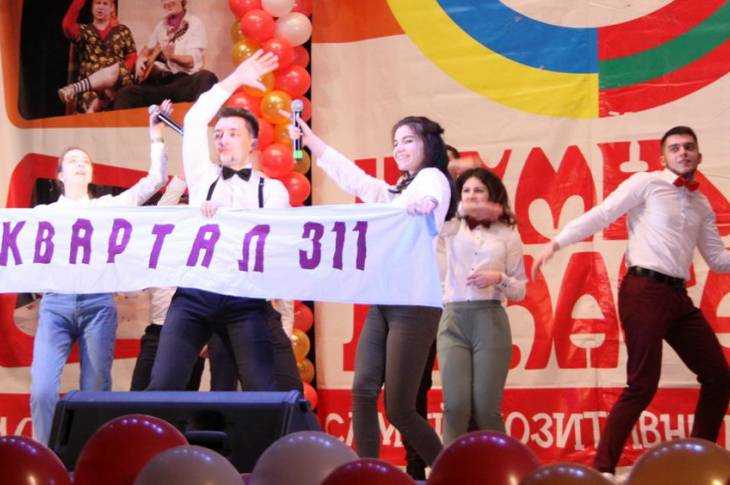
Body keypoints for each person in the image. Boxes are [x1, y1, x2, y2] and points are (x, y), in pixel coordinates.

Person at [532, 126, 730, 477]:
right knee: (642, 384)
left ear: (698, 155)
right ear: (663, 157)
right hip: (643, 290)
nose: (682, 153)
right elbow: (603, 213)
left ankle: (697, 463)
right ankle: (603, 469)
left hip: (677, 296)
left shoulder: (701, 203)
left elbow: (717, 259)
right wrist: (557, 242)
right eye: (674, 148)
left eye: (688, 147)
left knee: (718, 376)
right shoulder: (647, 183)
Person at [292, 113, 457, 470]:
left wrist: (425, 204)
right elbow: (356, 179)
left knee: (400, 408)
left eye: (408, 140)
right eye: (396, 142)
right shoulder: (397, 191)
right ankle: (367, 472)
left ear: (428, 144)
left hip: (415, 304)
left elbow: (431, 196)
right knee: (363, 391)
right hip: (385, 300)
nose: (399, 148)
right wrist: (312, 142)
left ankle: (452, 473)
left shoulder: (431, 178)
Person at [146, 51, 296, 393]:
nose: (222, 139)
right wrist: (236, 79)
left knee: (263, 390)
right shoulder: (203, 176)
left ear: (253, 142)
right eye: (219, 135)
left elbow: (277, 247)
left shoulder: (272, 191)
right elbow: (196, 118)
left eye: (232, 133)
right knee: (164, 382)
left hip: (245, 296)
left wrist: (228, 218)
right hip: (196, 293)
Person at [30, 105, 168, 444]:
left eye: (85, 161)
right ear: (60, 175)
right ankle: (44, 456)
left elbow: (153, 182)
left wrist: (156, 137)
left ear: (91, 174)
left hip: (97, 305)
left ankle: (89, 457)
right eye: (72, 161)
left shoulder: (105, 207)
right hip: (55, 306)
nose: (80, 164)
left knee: (95, 392)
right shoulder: (42, 213)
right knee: (42, 391)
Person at [437, 167, 525, 445]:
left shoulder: (507, 233)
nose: (472, 196)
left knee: (486, 408)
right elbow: (434, 217)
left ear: (491, 194)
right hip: (453, 319)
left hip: (490, 320)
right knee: (455, 406)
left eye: (479, 190)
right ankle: (450, 467)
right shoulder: (451, 226)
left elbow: (520, 289)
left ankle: (501, 466)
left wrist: (498, 278)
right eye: (466, 191)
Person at [113, 0, 218, 109]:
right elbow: (147, 49)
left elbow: (192, 61)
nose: (167, 2)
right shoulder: (161, 26)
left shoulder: (194, 23)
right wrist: (140, 59)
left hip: (182, 82)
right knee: (125, 94)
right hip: (159, 85)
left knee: (207, 77)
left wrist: (172, 57)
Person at [59, 0, 137, 112]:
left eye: (105, 3)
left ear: (112, 8)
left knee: (125, 97)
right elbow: (67, 25)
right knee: (92, 105)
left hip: (118, 84)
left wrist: (118, 72)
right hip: (91, 88)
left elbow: (132, 57)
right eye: (97, 3)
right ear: (92, 7)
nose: (100, 7)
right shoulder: (84, 31)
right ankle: (96, 105)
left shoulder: (122, 31)